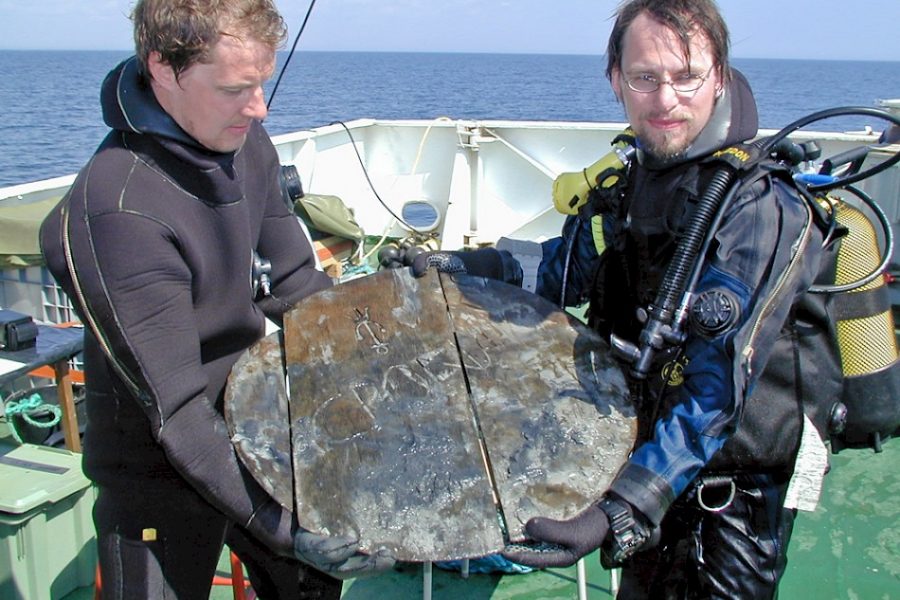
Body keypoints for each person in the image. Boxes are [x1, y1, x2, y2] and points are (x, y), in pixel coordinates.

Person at [416, 0, 837, 597]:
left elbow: (718, 389)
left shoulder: (760, 209)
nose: (666, 99)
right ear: (616, 81)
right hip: (639, 461)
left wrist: (622, 508)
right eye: (645, 78)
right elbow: (558, 276)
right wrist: (465, 268)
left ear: (719, 76)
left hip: (730, 501)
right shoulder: (629, 183)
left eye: (686, 76)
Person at [39, 1, 392, 598]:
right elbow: (176, 412)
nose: (259, 107)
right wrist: (283, 527)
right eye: (236, 88)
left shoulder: (244, 140)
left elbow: (298, 288)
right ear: (165, 70)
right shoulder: (120, 207)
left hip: (253, 420)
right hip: (155, 459)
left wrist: (391, 338)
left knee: (311, 584)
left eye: (261, 81)